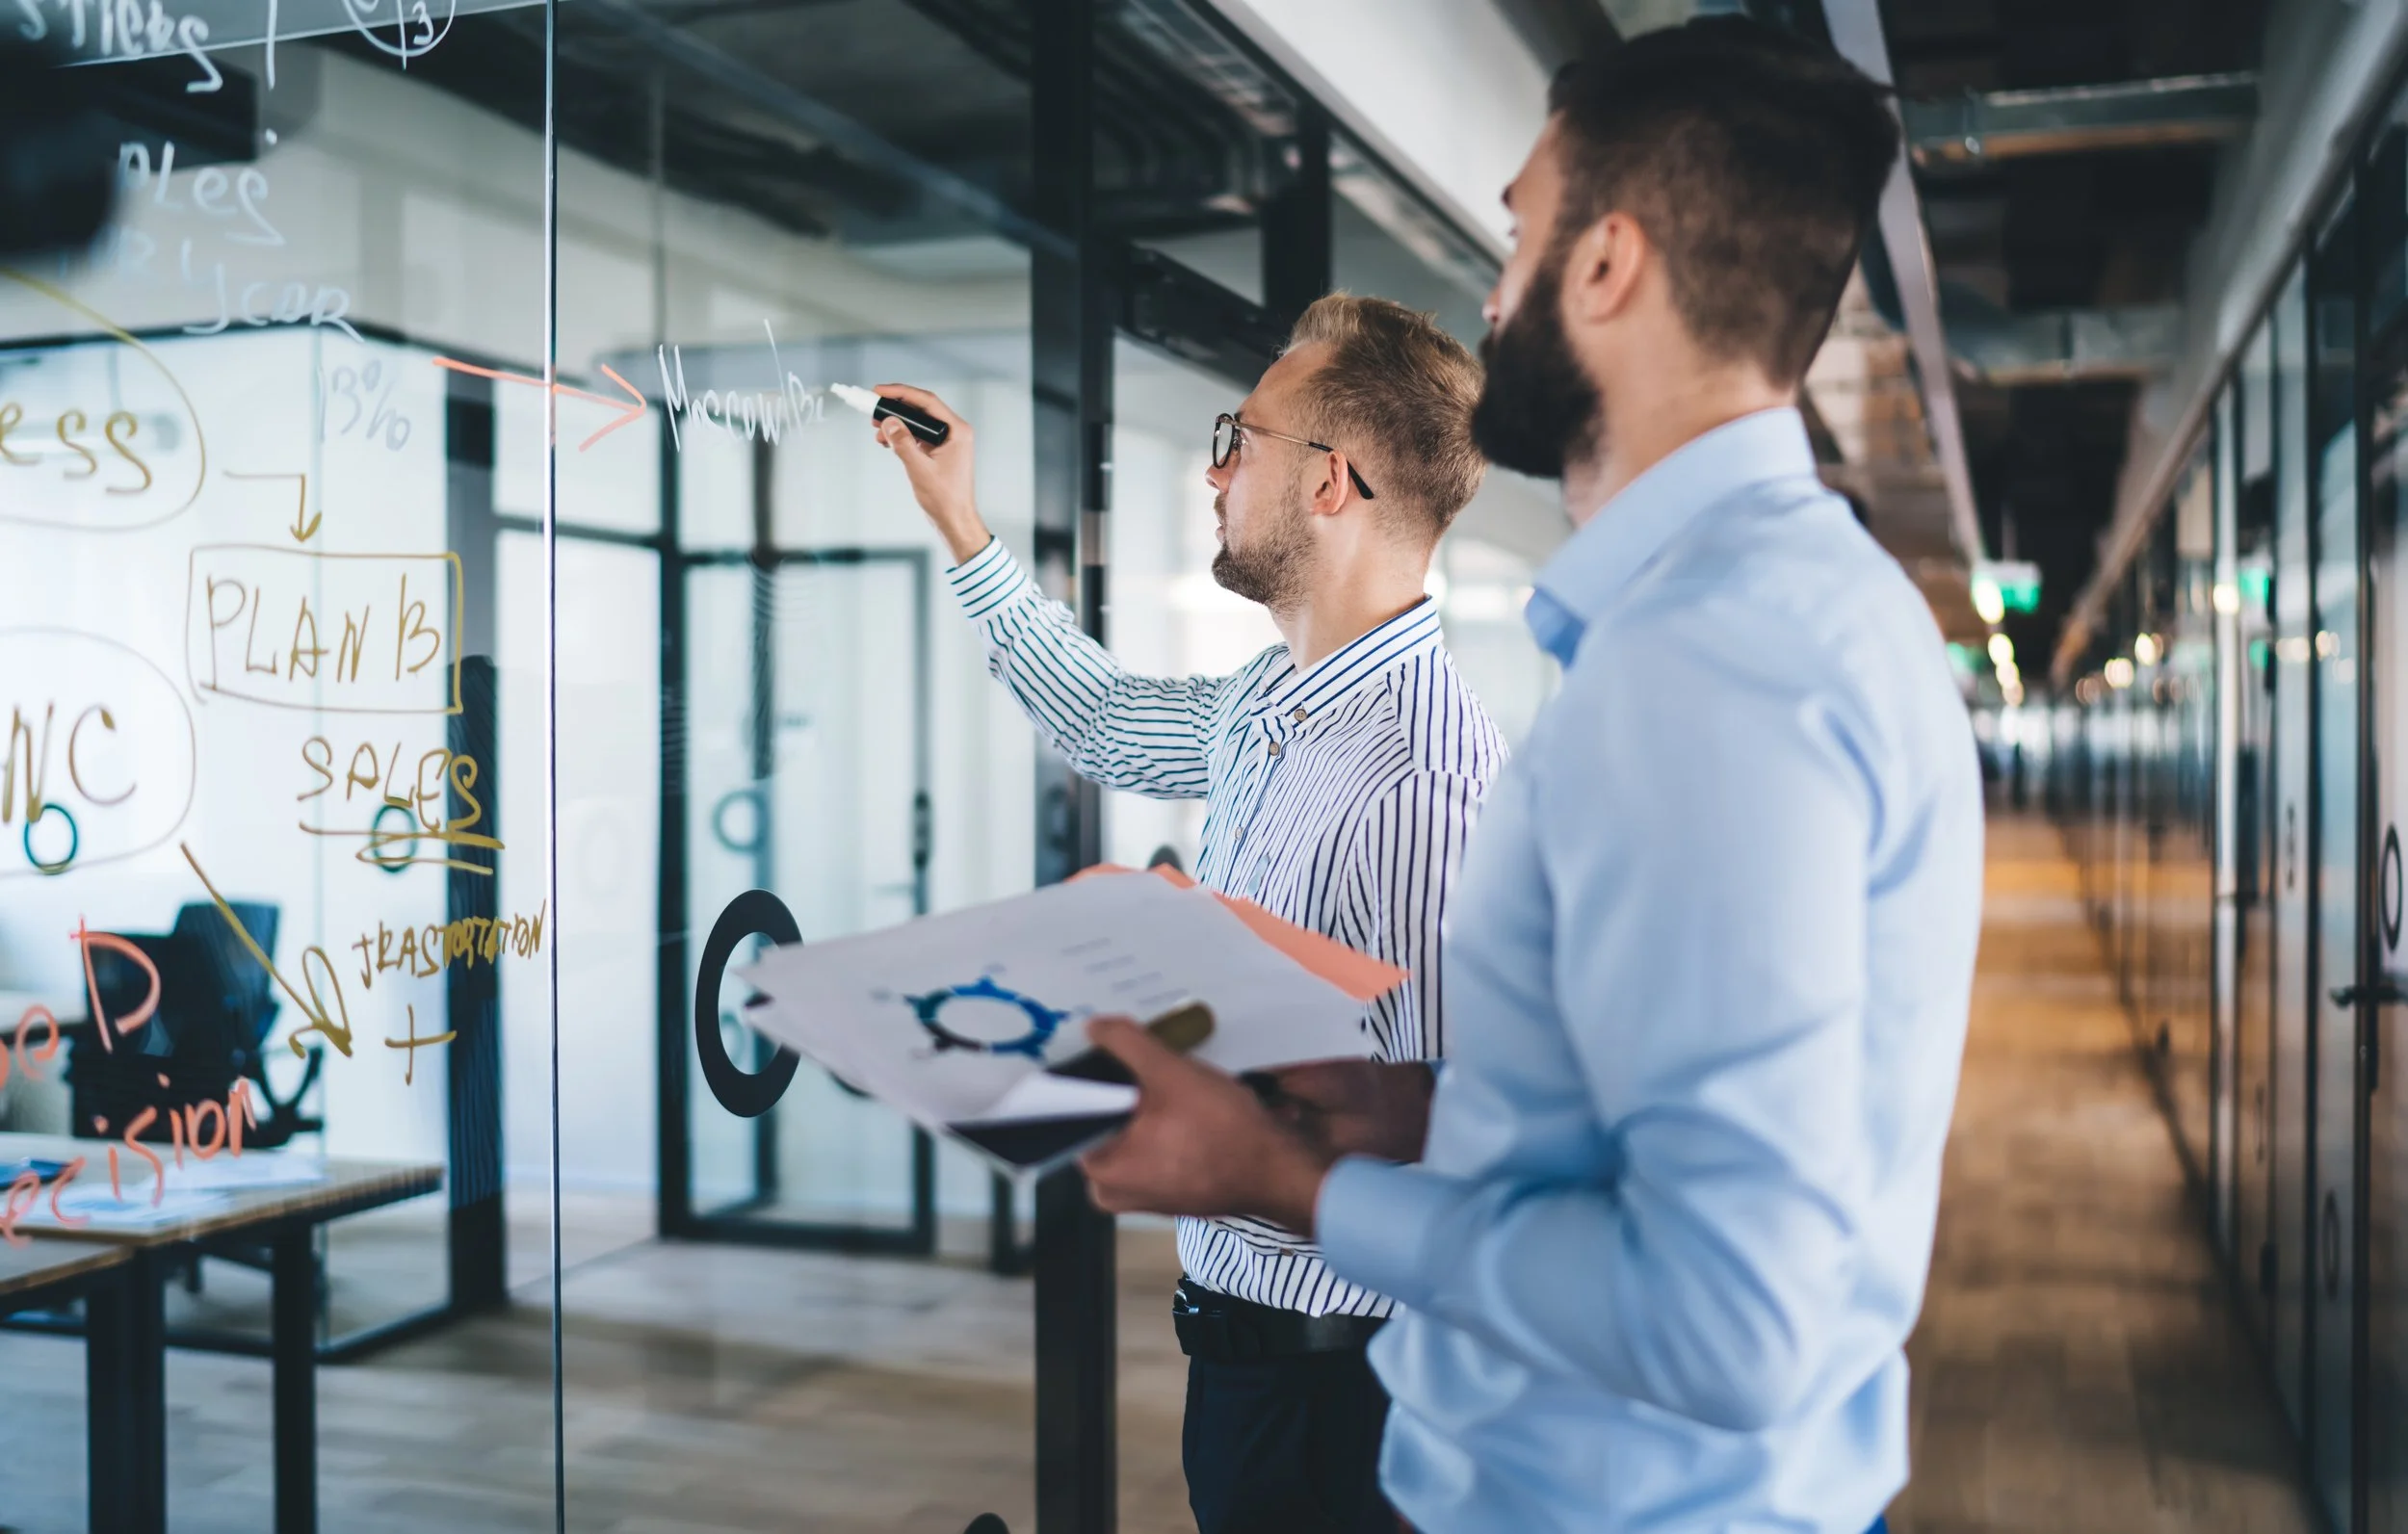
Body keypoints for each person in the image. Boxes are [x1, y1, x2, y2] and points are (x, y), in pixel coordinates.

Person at [1073, 18, 1983, 1534]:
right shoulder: (1777, 611)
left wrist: (1291, 1187)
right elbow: (1677, 1155)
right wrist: (1429, 1117)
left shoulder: (1714, 664)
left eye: (1516, 238)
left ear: (1607, 265)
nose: (1493, 298)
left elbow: (1726, 1319)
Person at [864, 293, 1505, 1534]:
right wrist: (961, 525)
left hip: (1351, 1385)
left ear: (1331, 482)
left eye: (1241, 437)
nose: (1214, 468)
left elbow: (1432, 1133)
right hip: (1250, 1354)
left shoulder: (1424, 774)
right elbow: (1105, 718)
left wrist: (1159, 1083)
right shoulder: (1276, 695)